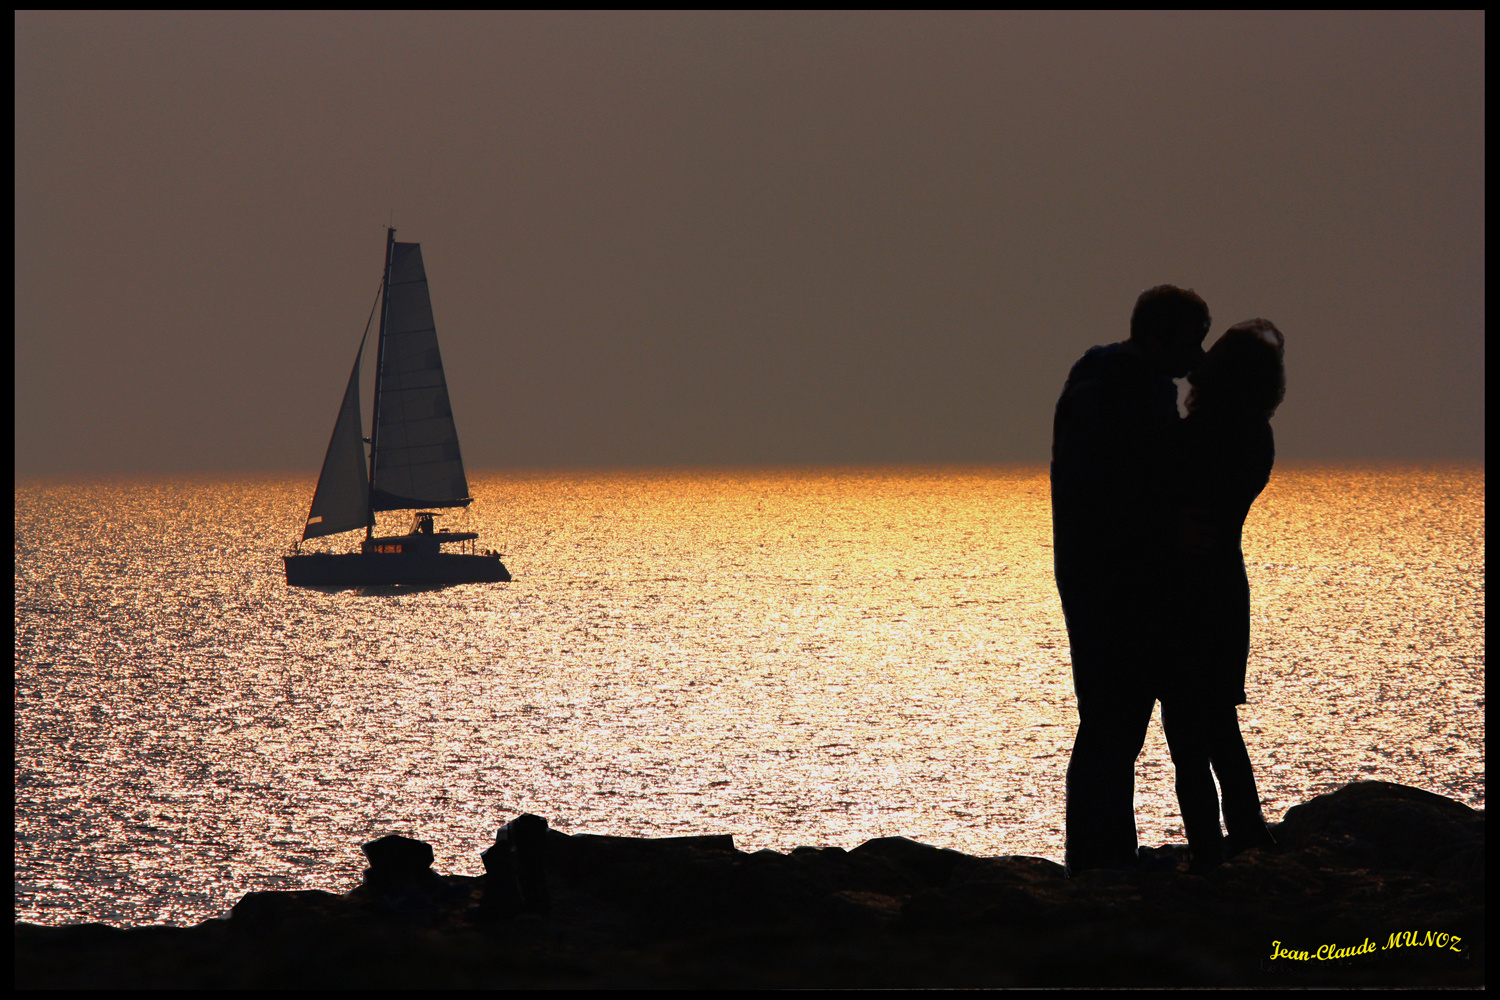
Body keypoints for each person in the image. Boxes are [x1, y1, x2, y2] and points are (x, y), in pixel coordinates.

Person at [1051, 285, 1209, 875]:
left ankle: (1098, 855)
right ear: (1158, 336)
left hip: (1092, 577)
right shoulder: (1132, 394)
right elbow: (1124, 492)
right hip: (1119, 585)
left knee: (1107, 725)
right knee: (1113, 727)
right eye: (1192, 338)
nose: (1198, 353)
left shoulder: (1096, 383)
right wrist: (1173, 530)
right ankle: (1101, 860)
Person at [1158, 319, 1285, 871]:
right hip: (1224, 588)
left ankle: (1210, 848)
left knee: (1187, 732)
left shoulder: (1201, 433)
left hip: (1187, 590)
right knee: (1217, 723)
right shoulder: (1255, 434)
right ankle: (1248, 833)